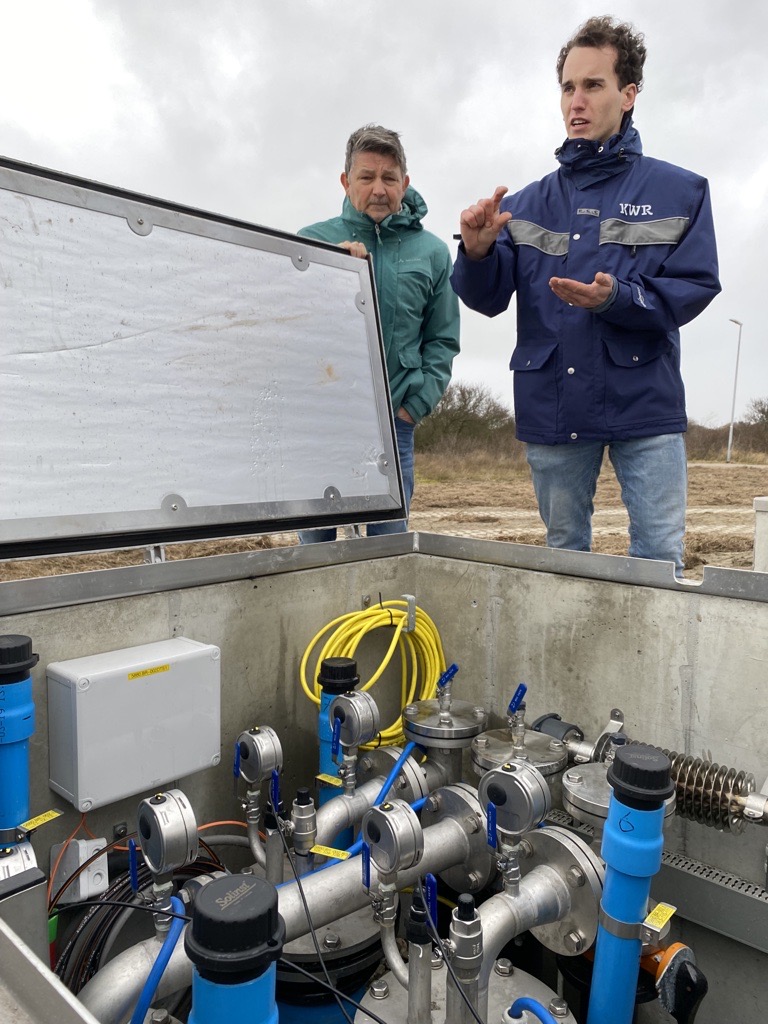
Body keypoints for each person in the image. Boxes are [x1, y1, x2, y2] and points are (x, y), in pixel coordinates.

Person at [451, 16, 720, 576]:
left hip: (645, 402)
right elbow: (489, 299)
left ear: (629, 93)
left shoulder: (682, 192)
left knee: (659, 561)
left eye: (593, 86)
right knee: (564, 559)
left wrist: (617, 299)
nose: (577, 101)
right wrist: (476, 253)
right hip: (551, 403)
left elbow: (694, 286)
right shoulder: (522, 205)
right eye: (568, 87)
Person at [297, 124, 460, 542]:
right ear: (345, 181)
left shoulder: (434, 252)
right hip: (320, 427)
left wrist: (413, 407)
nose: (378, 189)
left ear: (405, 183)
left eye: (389, 178)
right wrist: (331, 274)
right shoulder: (310, 242)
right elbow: (293, 332)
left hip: (395, 425)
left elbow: (442, 340)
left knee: (390, 551)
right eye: (366, 177)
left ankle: (384, 609)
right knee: (315, 559)